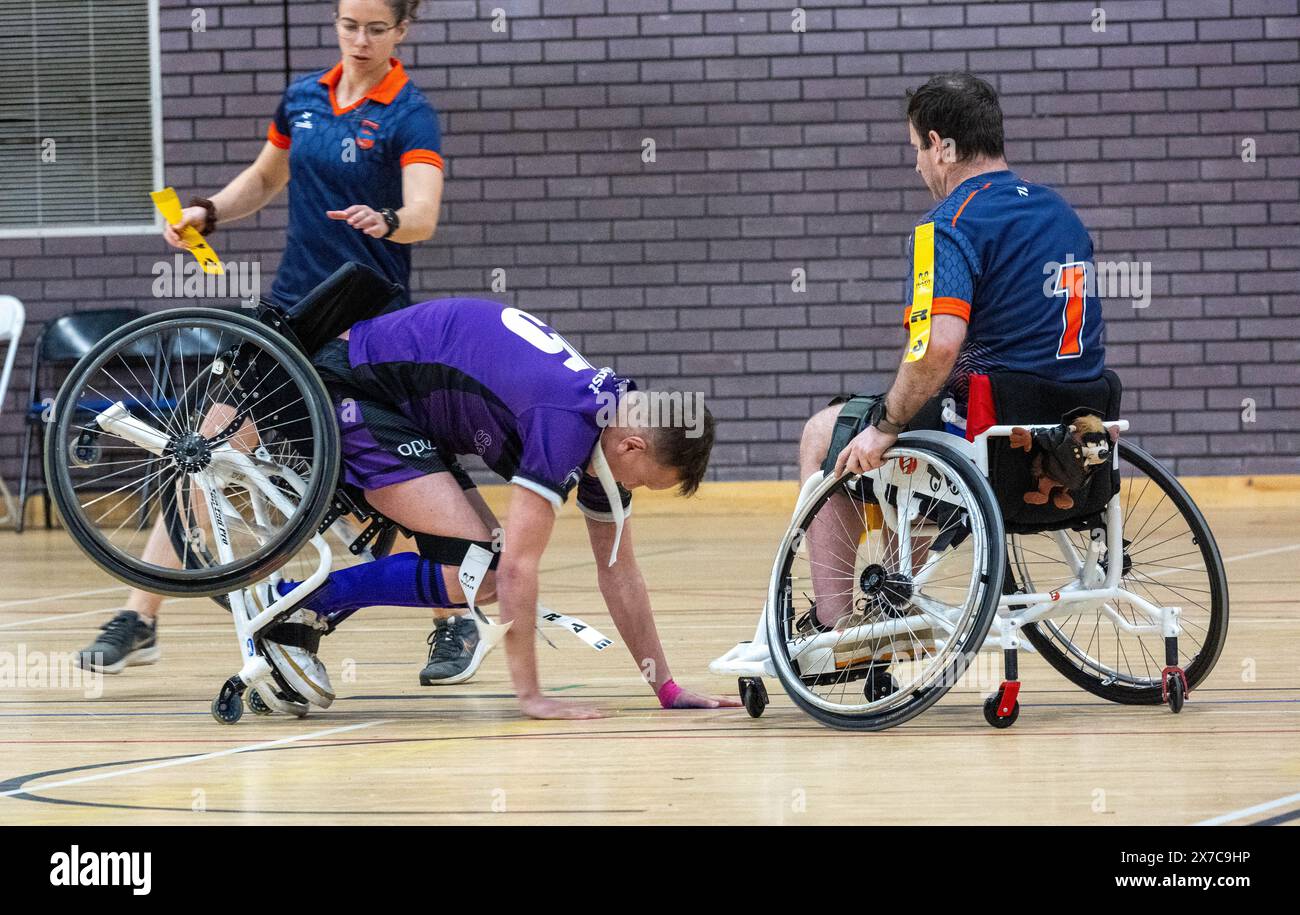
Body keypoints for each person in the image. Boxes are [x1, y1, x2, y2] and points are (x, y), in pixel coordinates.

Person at [73, 0, 469, 683]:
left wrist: (389, 219)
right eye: (350, 24)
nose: (361, 39)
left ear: (403, 29)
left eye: (378, 28)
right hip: (292, 314)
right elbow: (264, 178)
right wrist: (209, 210)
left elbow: (425, 214)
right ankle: (140, 616)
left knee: (388, 471)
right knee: (201, 449)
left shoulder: (409, 112)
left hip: (368, 320)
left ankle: (453, 619)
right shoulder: (303, 100)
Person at [261, 295, 738, 720]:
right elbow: (517, 571)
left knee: (476, 571)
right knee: (483, 572)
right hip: (350, 386)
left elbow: (619, 571)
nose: (633, 491)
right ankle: (294, 603)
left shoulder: (607, 424)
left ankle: (299, 607)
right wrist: (530, 696)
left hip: (408, 410)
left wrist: (667, 688)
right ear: (632, 447)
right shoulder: (566, 421)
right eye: (645, 484)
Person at [797, 72, 1107, 640]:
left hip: (994, 440)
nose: (917, 164)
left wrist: (886, 425)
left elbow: (937, 347)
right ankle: (893, 600)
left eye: (917, 147)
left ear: (943, 146)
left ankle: (836, 628)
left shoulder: (948, 225)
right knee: (919, 422)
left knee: (829, 433)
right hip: (1076, 438)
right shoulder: (1061, 212)